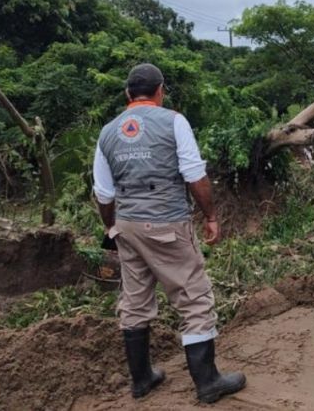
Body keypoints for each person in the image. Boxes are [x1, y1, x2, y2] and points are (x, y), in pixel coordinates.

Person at [93, 64, 246, 403]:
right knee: (193, 296)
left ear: (127, 95)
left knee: (134, 301)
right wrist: (211, 216)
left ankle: (142, 379)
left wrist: (111, 226)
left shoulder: (107, 133)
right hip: (167, 224)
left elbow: (103, 193)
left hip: (128, 226)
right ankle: (207, 383)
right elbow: (194, 175)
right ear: (160, 90)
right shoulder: (174, 121)